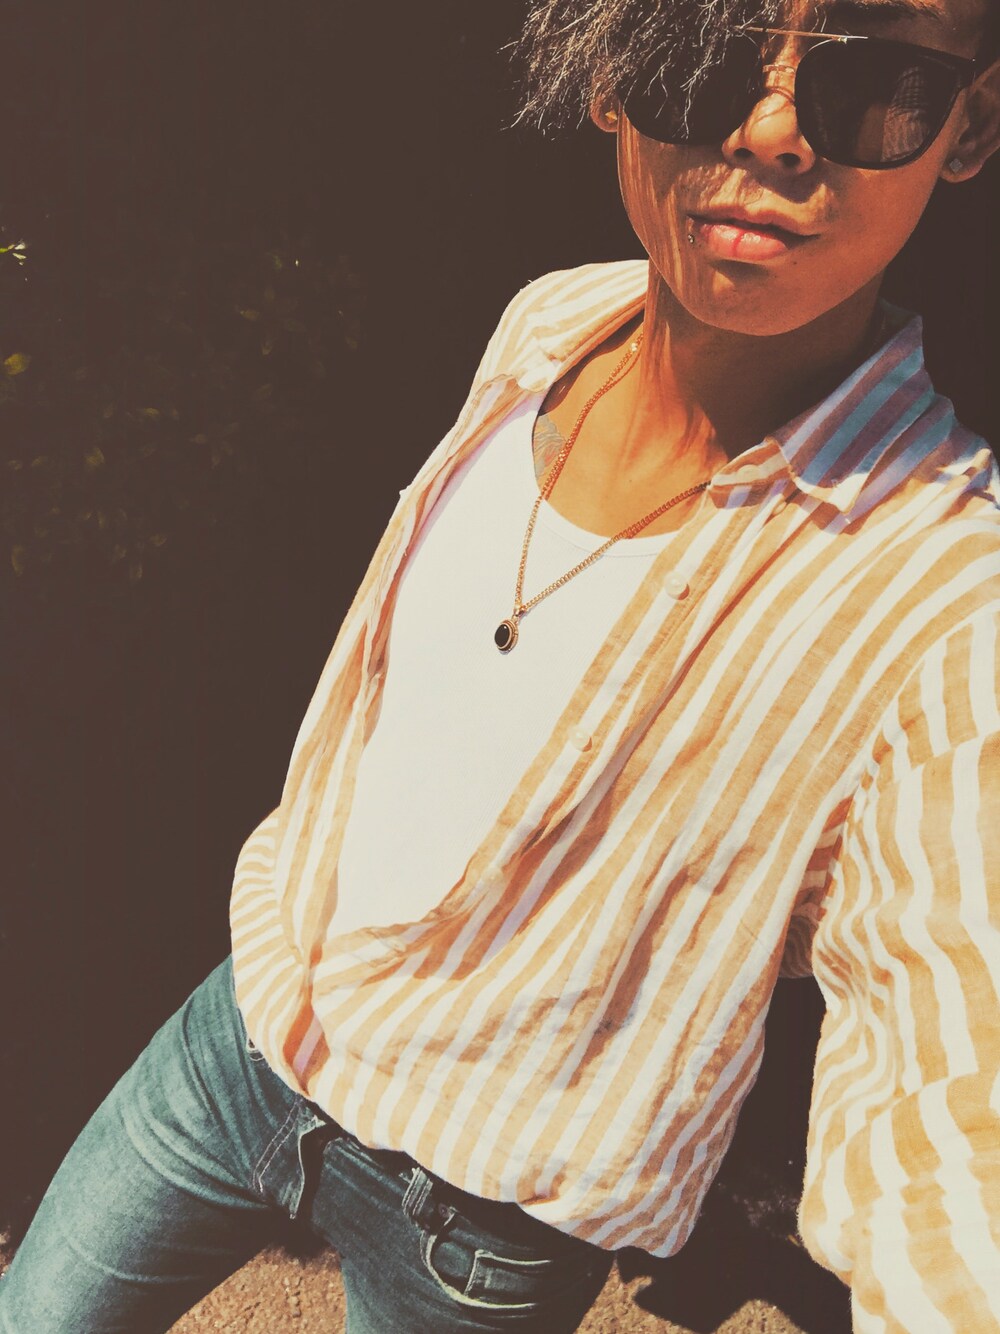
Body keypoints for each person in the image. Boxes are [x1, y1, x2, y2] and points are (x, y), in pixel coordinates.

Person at [3, 0, 1000, 1330]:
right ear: (609, 72)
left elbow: (953, 1097)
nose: (769, 129)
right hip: (247, 1027)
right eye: (700, 51)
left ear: (970, 125)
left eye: (870, 81)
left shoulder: (946, 592)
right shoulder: (552, 322)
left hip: (482, 1214)